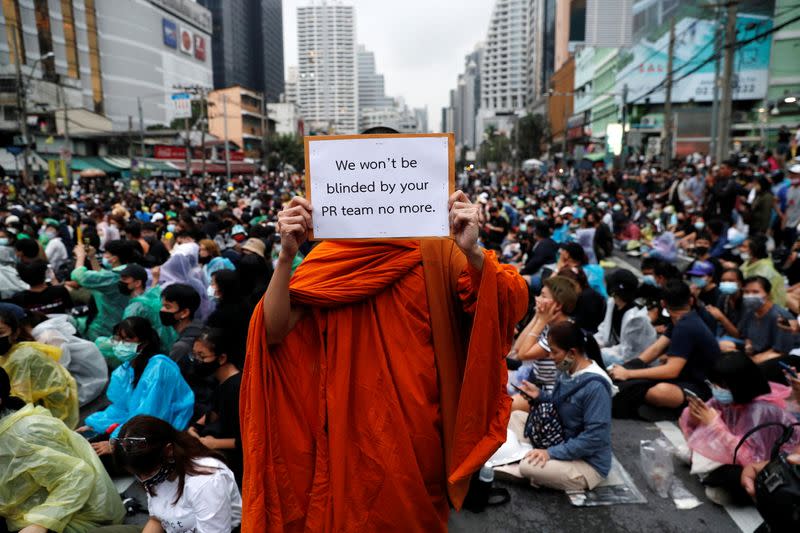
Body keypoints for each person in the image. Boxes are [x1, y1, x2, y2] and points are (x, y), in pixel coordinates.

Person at [240, 192, 528, 532]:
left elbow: (509, 303)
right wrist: (287, 256)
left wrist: (474, 253)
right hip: (346, 431)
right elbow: (273, 331)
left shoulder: (440, 248)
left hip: (417, 433)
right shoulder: (331, 257)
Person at [0, 368, 126, 533]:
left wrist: (41, 523)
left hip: (71, 515)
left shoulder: (24, 434)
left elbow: (76, 477)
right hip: (22, 511)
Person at [502, 321, 613, 491]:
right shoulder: (566, 369)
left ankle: (528, 464)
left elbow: (595, 437)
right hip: (560, 438)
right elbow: (560, 405)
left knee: (527, 467)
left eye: (554, 352)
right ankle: (530, 459)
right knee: (516, 415)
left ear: (572, 353)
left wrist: (551, 453)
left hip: (587, 461)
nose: (550, 357)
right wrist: (540, 396)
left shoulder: (596, 387)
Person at [679, 352, 800, 505]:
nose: (717, 389)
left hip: (768, 464)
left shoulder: (762, 411)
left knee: (728, 478)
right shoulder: (729, 395)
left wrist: (713, 424)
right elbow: (691, 420)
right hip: (738, 452)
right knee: (693, 452)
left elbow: (751, 458)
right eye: (714, 384)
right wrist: (694, 415)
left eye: (721, 385)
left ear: (739, 384)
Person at [609, 280, 721, 420]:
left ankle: (674, 412)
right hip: (684, 379)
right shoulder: (681, 320)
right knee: (631, 382)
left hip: (702, 388)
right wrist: (625, 368)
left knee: (659, 392)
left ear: (663, 304)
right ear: (690, 300)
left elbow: (671, 370)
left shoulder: (686, 326)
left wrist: (628, 374)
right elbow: (655, 349)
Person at [112, 415, 242, 533]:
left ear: (168, 450)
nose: (143, 481)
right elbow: (157, 520)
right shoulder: (157, 471)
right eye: (136, 475)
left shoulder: (206, 482)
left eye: (146, 473)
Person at [81, 317, 194, 447]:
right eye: (118, 338)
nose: (120, 344)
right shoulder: (126, 369)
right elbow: (121, 408)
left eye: (127, 340)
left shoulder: (159, 368)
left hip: (166, 423)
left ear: (144, 343)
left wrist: (115, 443)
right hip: (140, 421)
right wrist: (96, 425)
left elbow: (149, 416)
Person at [0, 306, 79, 428]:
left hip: (52, 412)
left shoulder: (21, 357)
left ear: (15, 333)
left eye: (0, 332)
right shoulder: (11, 352)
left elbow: (21, 398)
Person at [187, 327, 243, 484]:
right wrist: (194, 428)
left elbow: (248, 438)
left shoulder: (237, 388)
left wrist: (213, 444)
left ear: (222, 358)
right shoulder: (222, 382)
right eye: (194, 355)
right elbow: (215, 411)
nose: (197, 361)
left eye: (202, 356)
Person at [511, 276, 581, 400]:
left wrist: (541, 320)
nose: (537, 298)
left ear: (558, 305)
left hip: (547, 394)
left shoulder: (562, 331)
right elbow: (517, 348)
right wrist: (538, 317)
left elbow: (523, 354)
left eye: (543, 296)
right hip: (533, 381)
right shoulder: (548, 322)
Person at [723, 276, 797, 372]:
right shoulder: (750, 311)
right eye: (747, 292)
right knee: (723, 345)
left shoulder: (780, 316)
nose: (750, 296)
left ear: (768, 294)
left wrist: (753, 359)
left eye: (755, 292)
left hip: (780, 354)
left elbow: (782, 351)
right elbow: (746, 335)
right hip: (756, 350)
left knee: (749, 366)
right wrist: (748, 345)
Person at [105, 263, 177, 357]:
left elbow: (125, 335)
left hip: (151, 353)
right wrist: (155, 279)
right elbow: (153, 289)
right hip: (167, 348)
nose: (120, 282)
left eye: (125, 279)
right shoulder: (152, 295)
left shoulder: (135, 308)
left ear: (138, 283)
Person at [70, 240, 135, 340]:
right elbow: (101, 276)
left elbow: (78, 276)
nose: (104, 255)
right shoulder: (128, 271)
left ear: (114, 258)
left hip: (107, 325)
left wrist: (80, 256)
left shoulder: (114, 276)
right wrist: (92, 257)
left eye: (106, 253)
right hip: (120, 320)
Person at [595, 269, 657, 367]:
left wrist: (600, 351)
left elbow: (629, 354)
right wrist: (593, 344)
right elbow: (604, 331)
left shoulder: (635, 319)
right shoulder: (612, 303)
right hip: (617, 352)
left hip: (636, 363)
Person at [205, 269, 250, 361]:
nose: (211, 287)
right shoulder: (246, 304)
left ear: (222, 287)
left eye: (213, 284)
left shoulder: (220, 314)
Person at [738, 234, 786, 307]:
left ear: (754, 250)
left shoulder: (765, 270)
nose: (740, 249)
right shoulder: (749, 262)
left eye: (744, 247)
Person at [160, 283, 203, 362]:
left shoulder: (181, 347)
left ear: (184, 313)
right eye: (162, 305)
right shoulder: (201, 327)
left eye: (168, 307)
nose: (162, 310)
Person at [706, 268, 745, 339]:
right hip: (724, 334)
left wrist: (721, 317)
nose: (726, 283)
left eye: (731, 281)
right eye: (723, 281)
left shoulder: (747, 303)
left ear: (741, 283)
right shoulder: (723, 297)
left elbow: (739, 335)